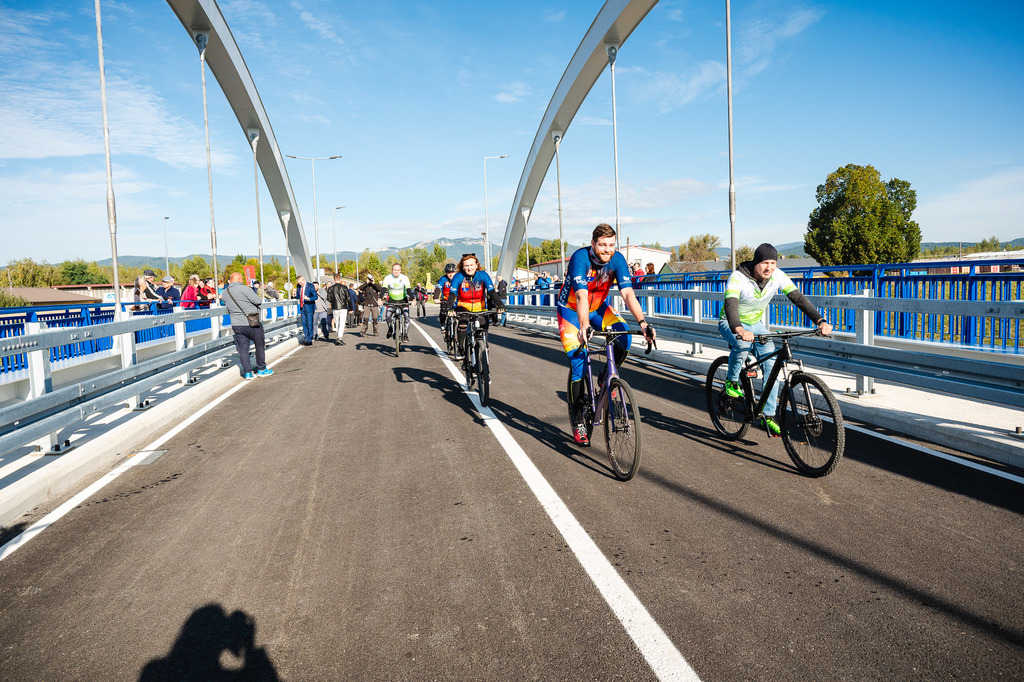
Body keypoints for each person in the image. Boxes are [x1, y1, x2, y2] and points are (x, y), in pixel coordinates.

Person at [719, 243, 833, 437]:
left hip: (755, 324)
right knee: (743, 343)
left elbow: (798, 298)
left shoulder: (777, 276)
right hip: (731, 322)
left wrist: (819, 320)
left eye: (773, 262)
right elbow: (731, 304)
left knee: (772, 362)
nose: (769, 267)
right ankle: (731, 382)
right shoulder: (738, 277)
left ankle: (768, 415)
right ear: (756, 262)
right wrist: (738, 329)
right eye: (765, 262)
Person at [558, 224, 655, 446]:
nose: (607, 249)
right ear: (593, 244)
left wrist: (642, 323)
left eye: (611, 245)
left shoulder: (617, 259)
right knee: (578, 360)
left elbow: (628, 293)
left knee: (624, 337)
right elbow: (581, 297)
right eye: (602, 244)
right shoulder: (580, 258)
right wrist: (583, 326)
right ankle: (578, 419)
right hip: (572, 311)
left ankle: (605, 379)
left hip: (600, 307)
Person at [446, 254, 502, 363]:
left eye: (471, 265)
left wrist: (500, 304)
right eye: (466, 265)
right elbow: (452, 294)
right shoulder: (458, 277)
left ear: (476, 265)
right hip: (463, 307)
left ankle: (485, 365)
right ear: (462, 267)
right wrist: (449, 308)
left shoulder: (483, 275)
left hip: (480, 308)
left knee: (483, 333)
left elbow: (491, 291)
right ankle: (462, 349)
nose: (469, 268)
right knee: (463, 323)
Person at [222, 272, 273, 379]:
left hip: (236, 324)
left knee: (243, 348)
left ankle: (248, 372)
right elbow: (258, 301)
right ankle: (261, 369)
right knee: (259, 345)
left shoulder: (225, 292)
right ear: (240, 279)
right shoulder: (245, 289)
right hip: (251, 322)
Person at [381, 263, 413, 342]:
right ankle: (390, 328)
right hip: (392, 299)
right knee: (388, 316)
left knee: (406, 316)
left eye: (398, 270)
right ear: (392, 270)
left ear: (400, 270)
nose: (396, 271)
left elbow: (408, 289)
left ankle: (405, 334)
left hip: (403, 299)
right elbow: (384, 288)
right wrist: (379, 298)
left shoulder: (404, 278)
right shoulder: (388, 278)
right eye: (395, 270)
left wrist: (413, 299)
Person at [327, 274, 351, 345]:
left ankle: (338, 337)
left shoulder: (330, 288)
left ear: (334, 280)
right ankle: (340, 337)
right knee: (342, 323)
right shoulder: (344, 287)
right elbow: (348, 298)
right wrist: (351, 308)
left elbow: (328, 298)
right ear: (340, 279)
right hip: (343, 307)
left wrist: (333, 301)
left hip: (335, 307)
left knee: (337, 323)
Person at [294, 275, 317, 345]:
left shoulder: (310, 286)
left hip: (309, 306)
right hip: (302, 307)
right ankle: (306, 338)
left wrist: (308, 298)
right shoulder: (298, 286)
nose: (300, 284)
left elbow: (315, 296)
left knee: (309, 323)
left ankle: (310, 339)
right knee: (304, 323)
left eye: (301, 283)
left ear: (303, 280)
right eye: (299, 283)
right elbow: (298, 296)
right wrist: (294, 295)